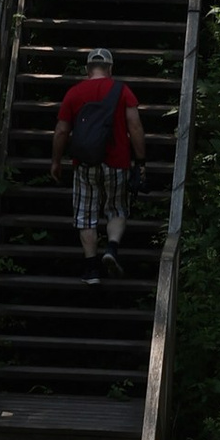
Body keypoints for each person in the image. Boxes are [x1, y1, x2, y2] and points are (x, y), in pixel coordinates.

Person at [50, 46, 145, 279]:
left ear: (87, 69)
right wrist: (140, 161)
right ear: (110, 68)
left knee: (85, 215)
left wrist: (56, 161)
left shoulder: (74, 93)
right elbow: (135, 126)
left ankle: (91, 268)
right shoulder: (122, 91)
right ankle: (111, 248)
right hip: (117, 162)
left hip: (85, 163)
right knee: (117, 208)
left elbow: (61, 130)